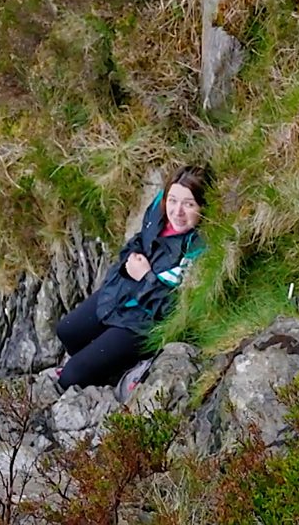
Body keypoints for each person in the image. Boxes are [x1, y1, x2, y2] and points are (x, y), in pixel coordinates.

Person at [54, 165, 211, 390]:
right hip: (122, 288)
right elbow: (139, 240)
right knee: (67, 331)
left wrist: (146, 276)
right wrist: (130, 263)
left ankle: (109, 370)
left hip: (144, 322)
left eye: (189, 204)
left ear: (203, 207)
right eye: (173, 200)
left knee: (70, 377)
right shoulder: (158, 209)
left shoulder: (198, 249)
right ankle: (101, 362)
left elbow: (175, 311)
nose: (177, 211)